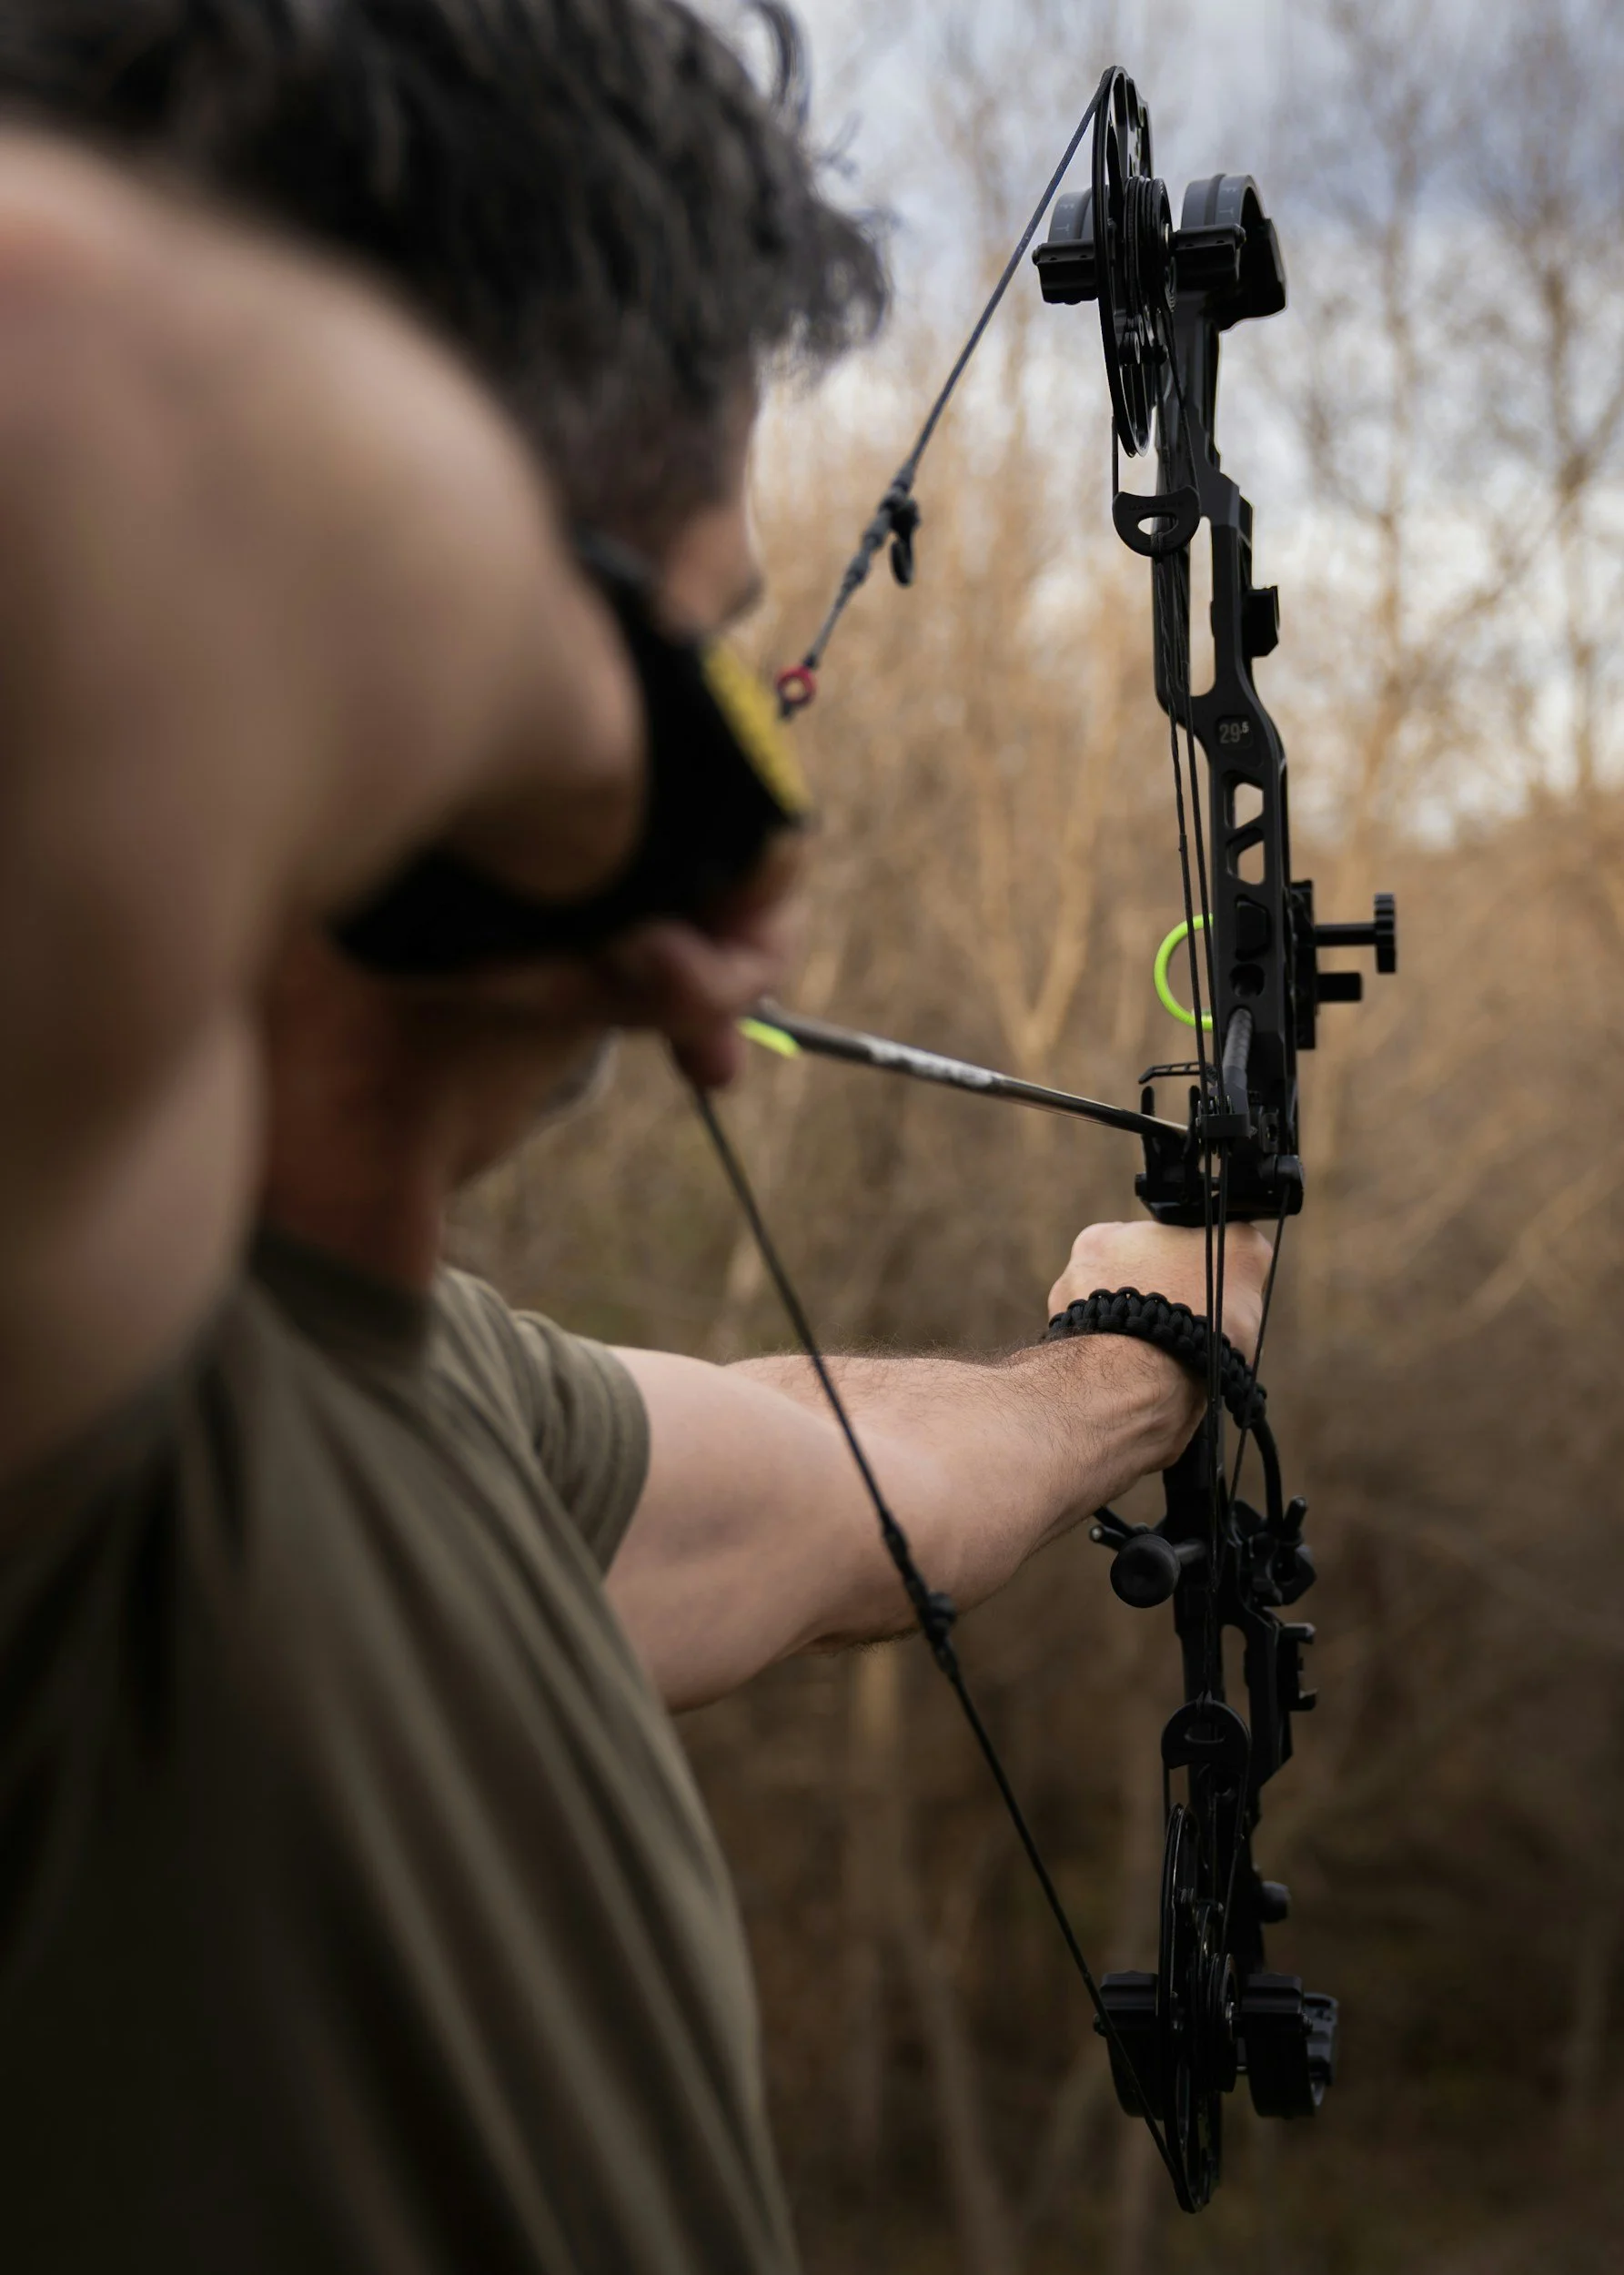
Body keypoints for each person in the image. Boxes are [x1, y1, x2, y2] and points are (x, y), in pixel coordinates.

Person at [0, 4, 1270, 2268]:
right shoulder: (86, 1422)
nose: (747, 750)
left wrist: (1137, 1359)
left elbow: (841, 1491)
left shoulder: (453, 1402)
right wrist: (622, 764)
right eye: (700, 650)